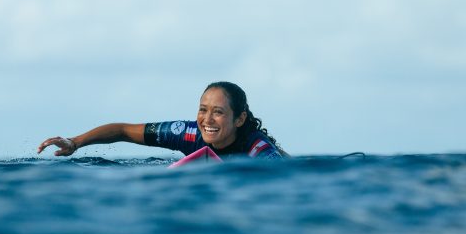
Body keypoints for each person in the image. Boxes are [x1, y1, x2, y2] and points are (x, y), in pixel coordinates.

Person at [37, 81, 285, 159]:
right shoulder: (187, 134)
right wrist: (75, 142)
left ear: (239, 119)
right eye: (202, 110)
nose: (207, 120)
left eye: (218, 112)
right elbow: (123, 130)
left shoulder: (258, 150)